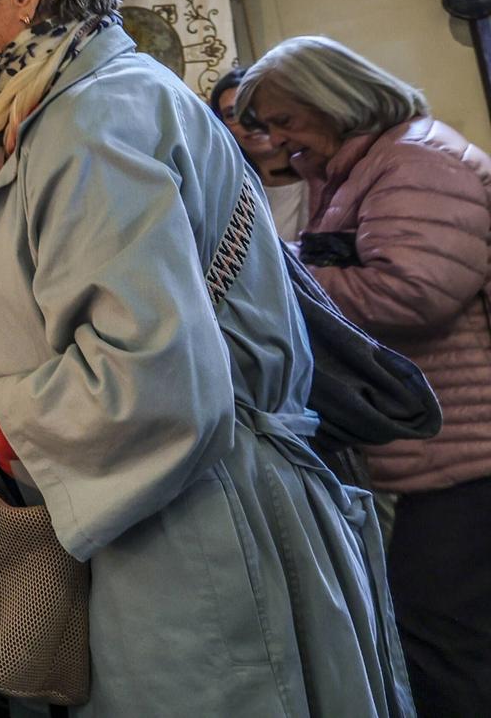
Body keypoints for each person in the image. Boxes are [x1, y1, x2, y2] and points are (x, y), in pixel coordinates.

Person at [0, 0, 406, 715]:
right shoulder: (72, 106)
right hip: (161, 520)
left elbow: (149, 378)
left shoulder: (92, 123)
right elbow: (102, 305)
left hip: (192, 540)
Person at [237, 35, 491, 714]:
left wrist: (282, 280)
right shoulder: (366, 167)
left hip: (461, 457)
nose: (278, 139)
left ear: (335, 100)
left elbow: (414, 291)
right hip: (433, 454)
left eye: (287, 119)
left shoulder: (413, 161)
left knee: (448, 644)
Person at [208, 65, 308, 239]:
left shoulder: (324, 176)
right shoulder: (225, 193)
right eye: (232, 114)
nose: (249, 121)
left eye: (255, 107)